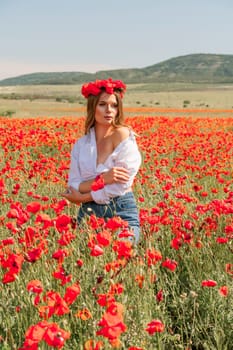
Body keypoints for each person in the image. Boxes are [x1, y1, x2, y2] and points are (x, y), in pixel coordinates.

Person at [61, 78, 142, 243]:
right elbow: (74, 185)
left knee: (120, 256)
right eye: (102, 104)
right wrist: (104, 179)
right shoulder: (81, 145)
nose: (109, 110)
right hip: (88, 215)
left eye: (114, 105)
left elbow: (120, 185)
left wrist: (82, 197)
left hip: (121, 212)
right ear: (92, 107)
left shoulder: (123, 135)